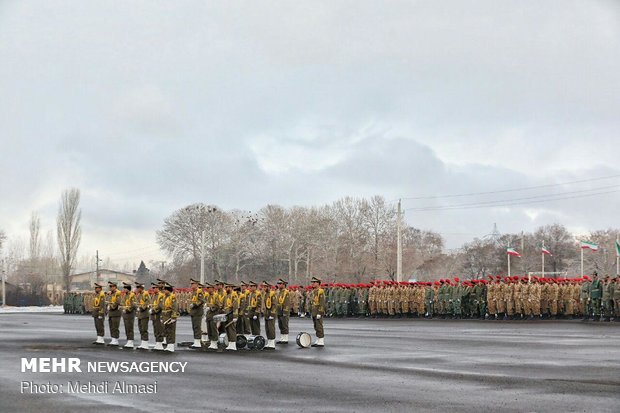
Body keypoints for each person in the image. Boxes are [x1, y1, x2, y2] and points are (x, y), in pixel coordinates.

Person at [161, 282, 179, 352]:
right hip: (165, 315)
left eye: (165, 290)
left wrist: (173, 317)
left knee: (171, 330)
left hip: (170, 315)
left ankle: (171, 345)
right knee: (167, 330)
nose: (164, 291)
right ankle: (168, 344)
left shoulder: (172, 297)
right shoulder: (165, 297)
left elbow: (175, 307)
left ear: (168, 290)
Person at [188, 278, 206, 348]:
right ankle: (196, 341)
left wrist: (195, 304)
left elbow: (202, 300)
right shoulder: (193, 292)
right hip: (193, 312)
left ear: (196, 284)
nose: (191, 285)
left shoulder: (199, 291)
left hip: (197, 311)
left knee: (197, 327)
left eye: (193, 284)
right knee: (194, 327)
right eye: (191, 284)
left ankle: (198, 341)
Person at [222, 283, 239, 351]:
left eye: (228, 287)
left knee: (232, 329)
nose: (227, 289)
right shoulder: (226, 295)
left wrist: (235, 316)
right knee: (228, 329)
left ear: (231, 288)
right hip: (227, 314)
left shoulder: (234, 295)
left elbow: (235, 306)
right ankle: (230, 343)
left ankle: (233, 344)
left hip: (231, 314)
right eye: (226, 287)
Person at [310, 276, 326, 347]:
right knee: (316, 326)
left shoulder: (320, 291)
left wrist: (320, 312)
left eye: (314, 282)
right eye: (312, 282)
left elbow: (322, 303)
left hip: (318, 311)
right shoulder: (314, 291)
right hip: (314, 311)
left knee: (319, 326)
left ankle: (321, 340)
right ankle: (318, 339)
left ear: (318, 283)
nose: (313, 284)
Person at [134, 282, 151, 350]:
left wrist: (141, 308)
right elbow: (138, 303)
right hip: (140, 314)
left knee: (144, 329)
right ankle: (143, 342)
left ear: (141, 288)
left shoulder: (145, 294)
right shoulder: (139, 294)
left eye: (138, 288)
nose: (137, 289)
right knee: (141, 328)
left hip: (144, 314)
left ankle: (145, 343)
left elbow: (147, 302)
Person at [150, 281, 165, 351]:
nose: (153, 289)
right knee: (155, 329)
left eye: (154, 288)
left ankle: (160, 343)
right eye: (153, 288)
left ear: (158, 288)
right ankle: (157, 342)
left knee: (159, 329)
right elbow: (152, 304)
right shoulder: (154, 295)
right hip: (154, 315)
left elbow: (160, 306)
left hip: (159, 315)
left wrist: (153, 311)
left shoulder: (161, 295)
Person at [121, 281, 136, 348]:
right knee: (126, 327)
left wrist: (127, 310)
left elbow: (133, 305)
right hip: (125, 314)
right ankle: (128, 340)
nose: (124, 290)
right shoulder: (125, 295)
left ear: (128, 289)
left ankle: (131, 340)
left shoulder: (132, 295)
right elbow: (122, 303)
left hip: (130, 314)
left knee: (130, 327)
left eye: (125, 289)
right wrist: (123, 308)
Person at [262, 281, 277, 350]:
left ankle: (272, 343)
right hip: (266, 313)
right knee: (267, 328)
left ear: (269, 287)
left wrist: (272, 314)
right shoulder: (265, 294)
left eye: (265, 287)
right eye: (263, 287)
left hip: (271, 313)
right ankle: (269, 342)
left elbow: (274, 305)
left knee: (271, 328)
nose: (264, 288)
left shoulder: (272, 294)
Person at [107, 281, 122, 346]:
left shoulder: (118, 293)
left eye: (111, 286)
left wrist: (111, 307)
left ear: (115, 287)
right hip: (111, 312)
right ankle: (113, 339)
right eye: (109, 286)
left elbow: (117, 302)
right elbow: (109, 301)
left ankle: (116, 339)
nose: (110, 288)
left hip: (116, 312)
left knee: (115, 326)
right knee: (111, 326)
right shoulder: (111, 293)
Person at [276, 278, 290, 344]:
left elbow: (286, 303)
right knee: (280, 325)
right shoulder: (279, 292)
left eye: (280, 284)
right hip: (279, 311)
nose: (278, 285)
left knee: (284, 325)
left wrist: (285, 311)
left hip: (284, 311)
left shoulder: (286, 292)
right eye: (278, 284)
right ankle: (282, 337)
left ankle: (285, 338)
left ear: (284, 285)